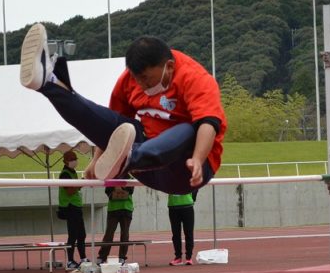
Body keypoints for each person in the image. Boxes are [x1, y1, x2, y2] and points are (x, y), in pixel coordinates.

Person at [20, 24, 227, 195]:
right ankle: (48, 83)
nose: (142, 85)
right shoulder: (129, 81)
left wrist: (198, 159)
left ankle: (129, 157)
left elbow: (208, 124)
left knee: (188, 129)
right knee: (116, 121)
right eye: (137, 79)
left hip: (186, 170)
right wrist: (97, 159)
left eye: (146, 79)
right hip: (145, 167)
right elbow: (112, 128)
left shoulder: (195, 78)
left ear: (169, 67)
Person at [57, 152, 87, 269]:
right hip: (70, 207)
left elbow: (73, 188)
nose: (74, 161)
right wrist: (81, 183)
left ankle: (83, 258)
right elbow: (69, 191)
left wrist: (80, 183)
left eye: (75, 159)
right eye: (72, 159)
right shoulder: (65, 174)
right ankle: (70, 260)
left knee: (81, 234)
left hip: (76, 206)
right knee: (73, 235)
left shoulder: (72, 172)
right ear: (65, 161)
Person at [97, 183, 134, 264]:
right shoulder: (111, 177)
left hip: (126, 208)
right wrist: (115, 187)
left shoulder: (129, 177)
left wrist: (120, 187)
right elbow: (107, 191)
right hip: (113, 209)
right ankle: (102, 256)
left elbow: (131, 190)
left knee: (125, 234)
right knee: (109, 234)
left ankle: (122, 257)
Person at [167, 191, 196, 266]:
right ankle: (178, 257)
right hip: (173, 206)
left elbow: (195, 186)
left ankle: (189, 257)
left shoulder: (187, 178)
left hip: (187, 206)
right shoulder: (169, 178)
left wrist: (193, 198)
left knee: (188, 233)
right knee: (175, 234)